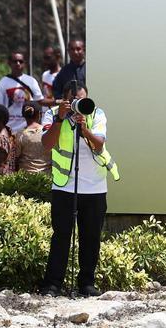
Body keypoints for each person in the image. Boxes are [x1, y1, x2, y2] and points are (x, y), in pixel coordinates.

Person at [40, 85, 118, 297]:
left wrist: (85, 130)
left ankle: (86, 283)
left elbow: (99, 145)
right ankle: (52, 284)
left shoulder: (96, 113)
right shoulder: (52, 114)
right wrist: (60, 119)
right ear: (65, 100)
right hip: (64, 185)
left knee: (91, 237)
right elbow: (46, 144)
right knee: (61, 236)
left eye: (82, 99)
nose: (79, 104)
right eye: (74, 100)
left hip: (94, 187)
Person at [0, 52, 44, 135]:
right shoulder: (2, 83)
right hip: (10, 130)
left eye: (20, 61)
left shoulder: (31, 81)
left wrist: (58, 101)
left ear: (24, 63)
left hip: (29, 130)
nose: (18, 64)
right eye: (15, 61)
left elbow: (39, 102)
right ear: (9, 63)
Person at [50, 40, 87, 108]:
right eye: (72, 49)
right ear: (68, 51)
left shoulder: (90, 68)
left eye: (78, 49)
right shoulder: (64, 71)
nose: (75, 52)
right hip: (70, 110)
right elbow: (56, 89)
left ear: (84, 50)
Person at [17, 104, 50, 174]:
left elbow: (15, 157)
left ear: (23, 115)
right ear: (39, 114)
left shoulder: (20, 135)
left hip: (26, 179)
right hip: (46, 178)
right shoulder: (48, 133)